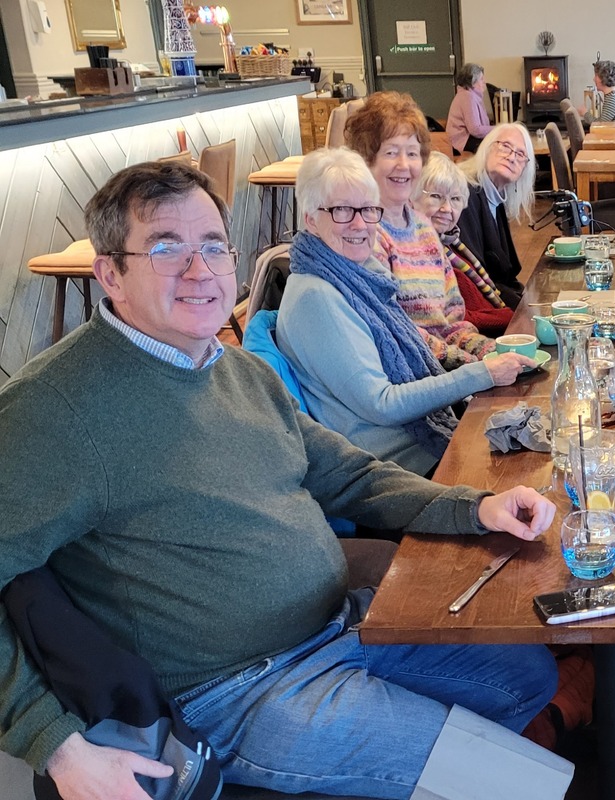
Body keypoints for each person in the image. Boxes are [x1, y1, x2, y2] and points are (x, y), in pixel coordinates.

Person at [0, 160, 559, 799]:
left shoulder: (235, 370)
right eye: (165, 249)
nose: (200, 270)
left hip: (339, 628)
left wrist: (475, 507)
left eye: (214, 246)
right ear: (110, 274)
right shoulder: (54, 411)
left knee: (526, 675)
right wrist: (57, 744)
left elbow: (348, 475)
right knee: (515, 783)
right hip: (235, 692)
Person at [276, 148, 531, 476]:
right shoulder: (317, 297)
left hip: (418, 443)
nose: (360, 224)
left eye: (368, 209)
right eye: (342, 210)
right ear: (311, 218)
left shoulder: (359, 273)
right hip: (393, 468)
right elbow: (383, 404)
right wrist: (483, 373)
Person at [345, 91, 494, 369]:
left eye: (412, 153)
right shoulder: (366, 235)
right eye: (391, 152)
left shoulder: (424, 227)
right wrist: (475, 366)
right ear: (366, 160)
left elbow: (453, 322)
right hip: (413, 374)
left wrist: (491, 351)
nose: (404, 165)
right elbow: (396, 332)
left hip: (450, 368)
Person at [414, 152, 514, 337]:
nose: (447, 208)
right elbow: (454, 320)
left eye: (455, 199)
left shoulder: (451, 243)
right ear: (411, 197)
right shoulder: (416, 255)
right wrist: (513, 317)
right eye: (436, 196)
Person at [458, 122, 537, 307]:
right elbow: (474, 276)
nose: (511, 157)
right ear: (487, 147)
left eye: (520, 154)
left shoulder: (496, 196)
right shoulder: (465, 194)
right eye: (505, 146)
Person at [447, 62, 493, 156]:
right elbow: (475, 129)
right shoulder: (467, 97)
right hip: (461, 141)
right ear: (473, 82)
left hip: (466, 138)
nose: (484, 82)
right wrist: (499, 128)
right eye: (481, 79)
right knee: (495, 146)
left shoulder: (468, 95)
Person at [579, 59, 615, 124]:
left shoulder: (612, 98)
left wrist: (585, 113)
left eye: (596, 76)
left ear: (603, 78)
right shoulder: (612, 95)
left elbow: (600, 124)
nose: (594, 79)